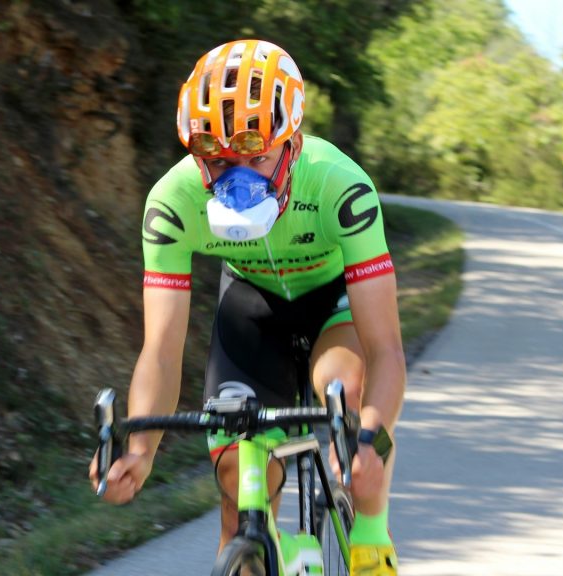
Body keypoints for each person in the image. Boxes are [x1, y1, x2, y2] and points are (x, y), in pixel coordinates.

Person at [89, 39, 405, 575]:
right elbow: (161, 350)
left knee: (347, 396)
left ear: (293, 143)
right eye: (217, 160)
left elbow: (386, 350)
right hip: (252, 309)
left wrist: (372, 437)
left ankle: (372, 537)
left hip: (333, 304)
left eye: (257, 157)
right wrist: (139, 449)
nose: (240, 181)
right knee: (238, 486)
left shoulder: (340, 185)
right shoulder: (173, 202)